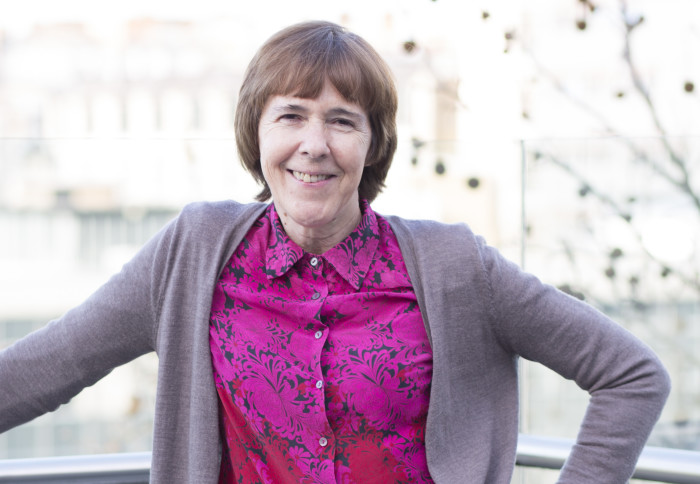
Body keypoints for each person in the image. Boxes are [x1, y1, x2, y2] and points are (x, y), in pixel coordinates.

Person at [0, 20, 670, 484]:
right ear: (256, 134)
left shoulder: (453, 267)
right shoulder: (193, 254)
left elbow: (632, 376)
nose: (314, 144)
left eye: (342, 120)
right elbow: (43, 369)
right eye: (291, 115)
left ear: (373, 143)